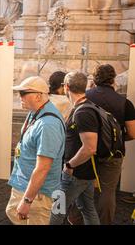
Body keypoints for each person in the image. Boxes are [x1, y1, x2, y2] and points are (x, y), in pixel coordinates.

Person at [6, 76, 65, 225]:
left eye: (23, 93)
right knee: (12, 212)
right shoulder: (36, 112)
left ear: (38, 96)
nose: (20, 97)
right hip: (25, 185)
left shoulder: (48, 124)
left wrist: (27, 200)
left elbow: (43, 168)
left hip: (39, 194)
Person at [85, 64, 135, 224]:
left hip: (86, 152)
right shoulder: (124, 102)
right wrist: (117, 140)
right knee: (108, 191)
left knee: (83, 189)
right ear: (113, 79)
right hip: (114, 153)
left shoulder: (85, 97)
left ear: (94, 79)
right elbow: (133, 133)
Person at [49, 71, 100, 225]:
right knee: (87, 208)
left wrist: (69, 166)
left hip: (75, 173)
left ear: (67, 87)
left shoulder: (83, 112)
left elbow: (90, 147)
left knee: (57, 211)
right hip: (85, 172)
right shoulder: (84, 107)